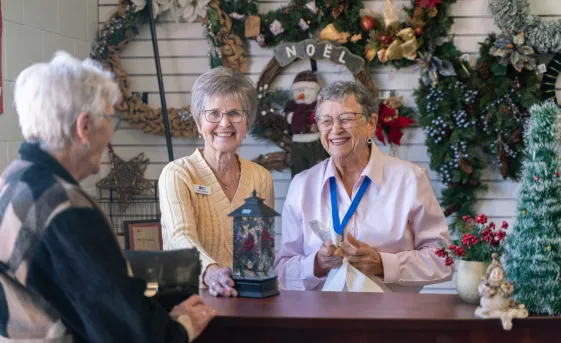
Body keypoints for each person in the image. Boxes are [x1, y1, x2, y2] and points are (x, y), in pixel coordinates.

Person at [0, 51, 215, 342]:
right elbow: (126, 332)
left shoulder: (12, 180)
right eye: (111, 118)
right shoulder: (66, 208)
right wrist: (181, 326)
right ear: (84, 127)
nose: (111, 133)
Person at [274, 81, 453, 293]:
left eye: (346, 119)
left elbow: (443, 259)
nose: (335, 129)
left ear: (371, 123)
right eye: (326, 120)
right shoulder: (302, 185)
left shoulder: (410, 179)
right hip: (320, 321)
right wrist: (317, 264)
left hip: (389, 321)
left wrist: (383, 264)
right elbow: (283, 270)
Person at [159, 67, 274, 298]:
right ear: (199, 123)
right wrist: (211, 272)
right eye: (213, 114)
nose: (224, 123)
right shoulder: (177, 174)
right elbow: (180, 237)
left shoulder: (260, 178)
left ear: (247, 123)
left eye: (234, 113)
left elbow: (260, 256)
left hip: (244, 303)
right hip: (189, 301)